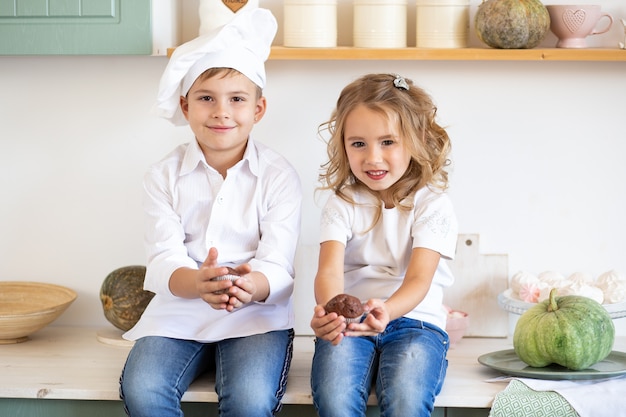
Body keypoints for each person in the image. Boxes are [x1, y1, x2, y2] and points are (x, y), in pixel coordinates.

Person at [119, 9, 302, 417]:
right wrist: (198, 282)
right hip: (179, 310)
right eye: (206, 99)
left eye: (237, 99)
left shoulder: (278, 176)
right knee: (145, 390)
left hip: (255, 315)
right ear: (185, 107)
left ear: (258, 109)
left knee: (251, 400)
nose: (221, 112)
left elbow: (276, 261)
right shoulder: (162, 176)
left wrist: (248, 286)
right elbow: (165, 258)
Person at [309, 73, 458, 417]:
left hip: (416, 322)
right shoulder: (341, 203)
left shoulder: (432, 204)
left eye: (388, 142)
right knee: (334, 395)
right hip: (351, 324)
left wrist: (388, 311)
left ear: (416, 139)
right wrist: (331, 313)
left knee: (406, 397)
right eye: (358, 143)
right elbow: (329, 271)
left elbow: (419, 280)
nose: (373, 158)